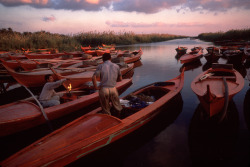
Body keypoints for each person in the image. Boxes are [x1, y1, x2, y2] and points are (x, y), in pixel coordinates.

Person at [92, 53, 123, 117]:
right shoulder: (116, 66)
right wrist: (114, 80)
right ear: (110, 58)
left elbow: (93, 77)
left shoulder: (100, 66)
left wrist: (96, 87)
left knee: (106, 109)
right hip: (113, 89)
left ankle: (108, 120)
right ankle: (119, 117)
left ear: (103, 59)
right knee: (117, 106)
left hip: (104, 89)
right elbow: (120, 79)